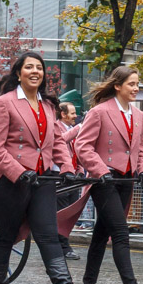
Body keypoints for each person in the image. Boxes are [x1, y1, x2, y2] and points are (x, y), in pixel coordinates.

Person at [0, 52, 94, 284]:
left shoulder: (47, 105)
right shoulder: (4, 103)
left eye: (39, 68)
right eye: (29, 67)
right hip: (10, 182)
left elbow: (57, 142)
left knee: (48, 235)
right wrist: (18, 172)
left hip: (42, 181)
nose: (35, 71)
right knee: (6, 237)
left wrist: (67, 168)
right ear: (18, 73)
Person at [57, 66, 143, 284]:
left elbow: (142, 148)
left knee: (101, 237)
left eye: (137, 84)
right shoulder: (99, 112)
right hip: (104, 181)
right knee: (121, 233)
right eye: (131, 84)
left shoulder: (139, 116)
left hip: (126, 182)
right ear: (117, 86)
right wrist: (100, 171)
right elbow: (83, 146)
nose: (136, 89)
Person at [55, 101, 82, 260]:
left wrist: (79, 169)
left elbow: (76, 152)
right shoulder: (56, 127)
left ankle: (62, 243)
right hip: (60, 176)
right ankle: (63, 247)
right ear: (63, 114)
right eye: (72, 113)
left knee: (72, 213)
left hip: (73, 177)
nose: (75, 116)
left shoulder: (72, 130)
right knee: (62, 213)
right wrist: (79, 128)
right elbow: (60, 141)